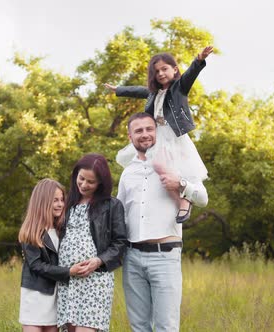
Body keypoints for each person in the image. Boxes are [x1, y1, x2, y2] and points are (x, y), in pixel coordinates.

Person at [117, 112, 208, 332]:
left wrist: (181, 183)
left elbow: (203, 199)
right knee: (139, 327)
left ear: (157, 131)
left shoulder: (175, 164)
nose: (145, 134)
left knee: (166, 327)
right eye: (138, 131)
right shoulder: (127, 174)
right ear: (130, 137)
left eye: (149, 129)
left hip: (165, 257)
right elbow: (119, 216)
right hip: (132, 258)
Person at [105, 46, 213, 223]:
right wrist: (119, 90)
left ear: (174, 70)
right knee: (159, 168)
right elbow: (139, 91)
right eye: (157, 71)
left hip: (174, 135)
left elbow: (190, 76)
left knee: (179, 169)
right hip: (158, 135)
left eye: (165, 69)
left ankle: (185, 203)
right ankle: (164, 200)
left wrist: (199, 60)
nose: (161, 73)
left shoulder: (179, 88)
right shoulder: (154, 93)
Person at [57, 153, 128, 332]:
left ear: (101, 184)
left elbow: (120, 243)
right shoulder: (67, 204)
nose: (83, 184)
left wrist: (98, 261)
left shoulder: (112, 206)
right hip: (68, 280)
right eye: (81, 178)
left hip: (95, 281)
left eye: (91, 182)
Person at [18, 178, 85, 332]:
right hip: (35, 294)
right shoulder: (31, 232)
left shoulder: (63, 230)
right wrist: (68, 272)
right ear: (43, 202)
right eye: (55, 200)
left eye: (62, 199)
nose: (60, 204)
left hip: (56, 296)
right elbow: (36, 266)